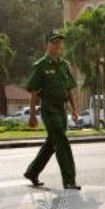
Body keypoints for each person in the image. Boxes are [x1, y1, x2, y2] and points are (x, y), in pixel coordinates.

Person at [23, 29, 81, 190]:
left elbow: (69, 89)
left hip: (62, 110)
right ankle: (69, 180)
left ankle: (32, 172)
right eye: (54, 42)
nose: (57, 45)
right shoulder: (40, 66)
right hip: (48, 109)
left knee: (52, 143)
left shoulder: (64, 65)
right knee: (62, 141)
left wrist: (74, 109)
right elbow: (34, 92)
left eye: (59, 42)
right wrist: (32, 115)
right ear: (46, 45)